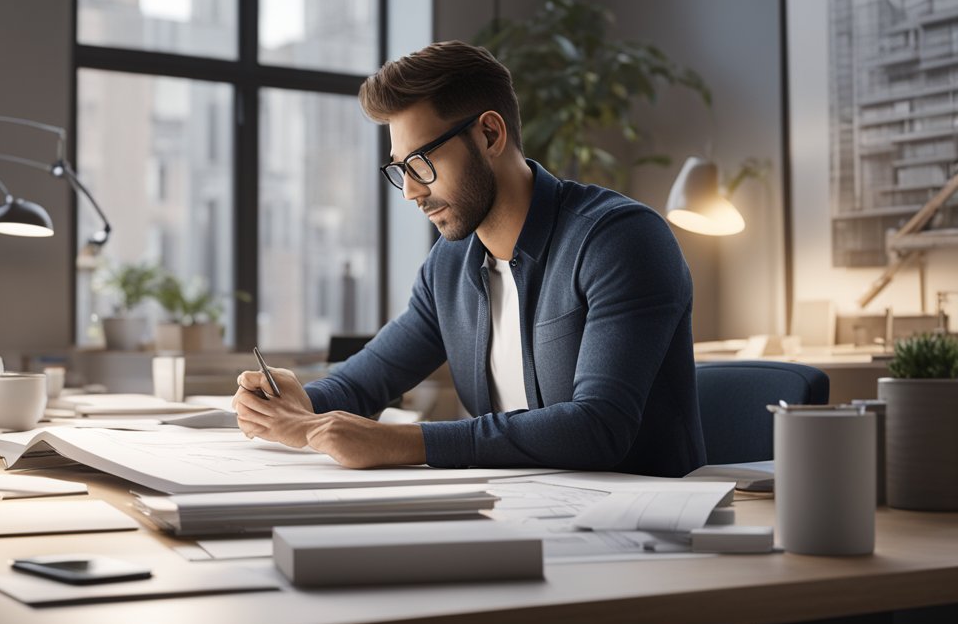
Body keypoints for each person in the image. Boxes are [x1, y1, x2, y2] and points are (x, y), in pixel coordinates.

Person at [234, 40, 706, 477]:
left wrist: (398, 442)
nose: (412, 191)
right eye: (401, 170)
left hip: (642, 533)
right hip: (516, 516)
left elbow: (599, 428)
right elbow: (362, 385)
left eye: (422, 162)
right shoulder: (449, 265)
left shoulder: (618, 240)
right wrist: (297, 404)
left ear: (489, 135)